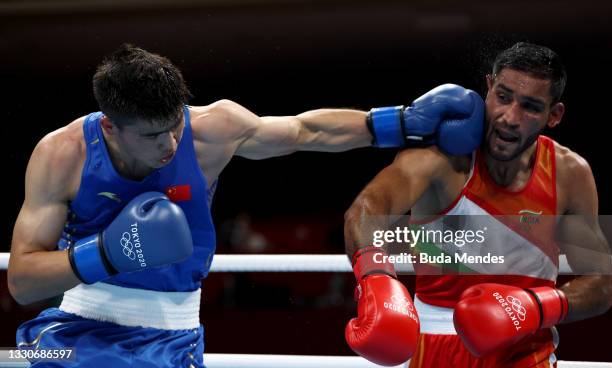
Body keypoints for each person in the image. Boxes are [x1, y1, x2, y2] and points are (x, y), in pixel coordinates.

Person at [8, 44, 483, 367]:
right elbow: (23, 281)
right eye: (153, 136)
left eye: (175, 125)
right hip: (78, 334)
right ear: (111, 127)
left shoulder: (212, 130)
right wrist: (107, 253)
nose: (171, 144)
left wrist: (403, 122)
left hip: (175, 337)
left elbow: (304, 132)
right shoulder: (62, 155)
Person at [344, 42, 612, 367]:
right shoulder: (442, 159)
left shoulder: (569, 174)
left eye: (529, 106)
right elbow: (367, 208)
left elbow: (601, 281)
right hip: (433, 348)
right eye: (503, 96)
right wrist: (375, 277)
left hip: (527, 351)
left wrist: (536, 307)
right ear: (488, 88)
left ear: (553, 115)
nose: (509, 117)